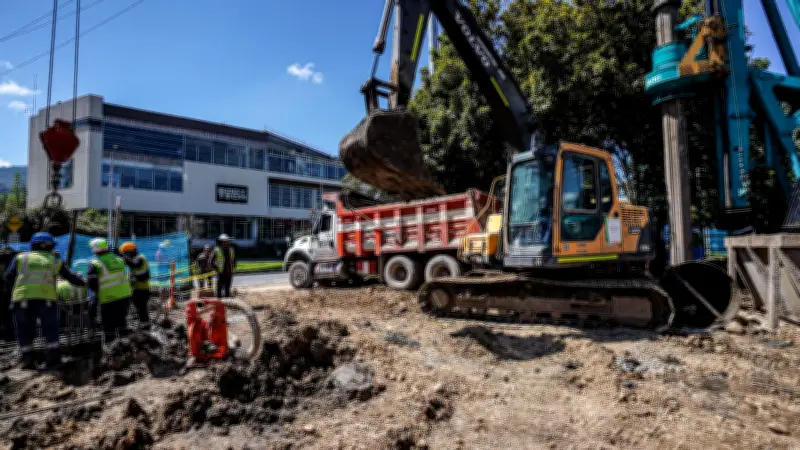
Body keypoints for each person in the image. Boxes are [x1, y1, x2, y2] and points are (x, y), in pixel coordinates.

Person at [5, 232, 86, 369]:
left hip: (21, 298)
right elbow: (70, 277)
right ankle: (53, 359)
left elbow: (8, 278)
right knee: (50, 328)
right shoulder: (55, 260)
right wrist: (84, 282)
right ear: (51, 246)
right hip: (46, 299)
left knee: (24, 330)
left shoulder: (20, 257)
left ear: (33, 245)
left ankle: (28, 360)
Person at [87, 238, 133, 343]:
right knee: (122, 323)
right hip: (124, 297)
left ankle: (110, 351)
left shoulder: (94, 263)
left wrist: (96, 296)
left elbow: (91, 284)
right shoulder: (120, 260)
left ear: (94, 250)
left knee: (109, 327)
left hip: (108, 299)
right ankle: (126, 349)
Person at [115, 241, 151, 330]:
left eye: (126, 253)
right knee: (139, 309)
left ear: (130, 251)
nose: (127, 256)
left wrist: (122, 256)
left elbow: (134, 264)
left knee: (142, 309)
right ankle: (144, 325)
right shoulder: (135, 259)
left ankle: (146, 327)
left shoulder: (140, 258)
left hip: (142, 289)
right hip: (138, 289)